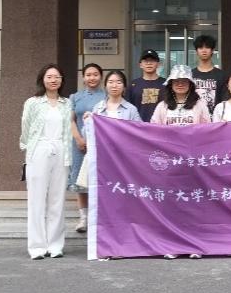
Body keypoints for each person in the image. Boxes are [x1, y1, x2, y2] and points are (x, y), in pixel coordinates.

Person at [150, 64, 209, 259]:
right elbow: (153, 131)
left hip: (192, 163)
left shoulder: (199, 104)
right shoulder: (163, 106)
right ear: (170, 84)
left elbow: (207, 130)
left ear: (191, 84)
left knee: (193, 205)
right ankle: (172, 245)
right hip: (169, 164)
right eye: (176, 81)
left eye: (184, 81)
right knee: (171, 205)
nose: (180, 84)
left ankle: (195, 245)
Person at [20, 63, 72, 260]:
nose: (53, 80)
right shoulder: (33, 103)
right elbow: (25, 127)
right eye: (49, 77)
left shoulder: (66, 103)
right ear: (42, 80)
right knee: (37, 200)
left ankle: (55, 245)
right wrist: (29, 148)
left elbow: (68, 130)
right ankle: (37, 247)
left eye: (57, 77)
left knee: (57, 200)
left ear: (62, 80)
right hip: (39, 149)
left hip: (61, 149)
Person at [76, 70, 141, 191]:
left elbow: (139, 134)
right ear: (105, 86)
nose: (114, 85)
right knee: (103, 192)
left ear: (124, 87)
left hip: (123, 159)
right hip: (102, 158)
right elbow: (88, 136)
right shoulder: (98, 108)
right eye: (111, 82)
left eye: (118, 82)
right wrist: (87, 123)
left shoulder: (131, 109)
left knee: (121, 190)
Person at [68, 63, 103, 234]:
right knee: (80, 181)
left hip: (101, 145)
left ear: (101, 76)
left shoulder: (106, 96)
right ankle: (83, 218)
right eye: (88, 74)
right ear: (83, 77)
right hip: (80, 145)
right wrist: (78, 139)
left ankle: (99, 217)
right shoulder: (75, 97)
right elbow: (70, 120)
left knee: (99, 180)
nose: (92, 78)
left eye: (95, 74)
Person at [191, 34, 228, 116]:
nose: (204, 50)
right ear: (196, 51)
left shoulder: (221, 75)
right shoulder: (190, 75)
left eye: (207, 47)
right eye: (201, 48)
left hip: (215, 118)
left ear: (212, 50)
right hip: (194, 118)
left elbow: (224, 100)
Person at [127, 49, 166, 122]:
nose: (149, 63)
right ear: (140, 65)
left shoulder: (166, 84)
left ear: (158, 64)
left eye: (152, 60)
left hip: (161, 125)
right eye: (145, 61)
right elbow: (128, 108)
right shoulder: (133, 85)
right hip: (138, 125)